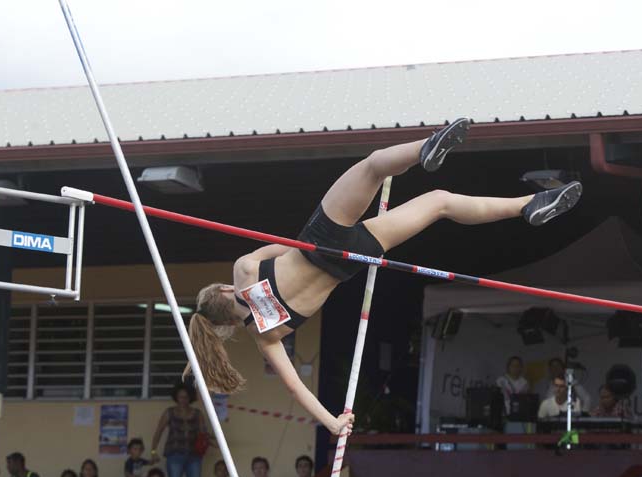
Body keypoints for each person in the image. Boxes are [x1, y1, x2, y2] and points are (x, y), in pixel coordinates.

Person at [188, 120, 580, 434]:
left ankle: (529, 206)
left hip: (350, 261)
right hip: (323, 238)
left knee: (438, 204)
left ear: (224, 327)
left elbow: (295, 387)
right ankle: (425, 149)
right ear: (224, 289)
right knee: (373, 165)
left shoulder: (268, 337)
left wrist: (332, 422)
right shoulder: (243, 269)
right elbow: (285, 247)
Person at [151, 381, 206, 477]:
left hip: (194, 456)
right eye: (180, 396)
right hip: (174, 455)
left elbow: (204, 434)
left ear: (190, 397)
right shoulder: (169, 412)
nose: (183, 400)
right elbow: (158, 432)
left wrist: (210, 440)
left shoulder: (198, 414)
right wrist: (153, 451)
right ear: (176, 397)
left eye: (186, 397)